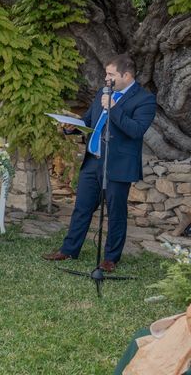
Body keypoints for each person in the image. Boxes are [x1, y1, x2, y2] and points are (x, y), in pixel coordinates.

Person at [43, 56, 156, 272]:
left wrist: (115, 108)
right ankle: (68, 250)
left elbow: (136, 130)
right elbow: (88, 122)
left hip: (118, 165)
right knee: (81, 208)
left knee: (116, 213)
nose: (106, 78)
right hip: (92, 161)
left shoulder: (144, 99)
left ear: (126, 75)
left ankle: (110, 259)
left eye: (111, 75)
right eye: (106, 74)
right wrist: (72, 127)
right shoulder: (102, 93)